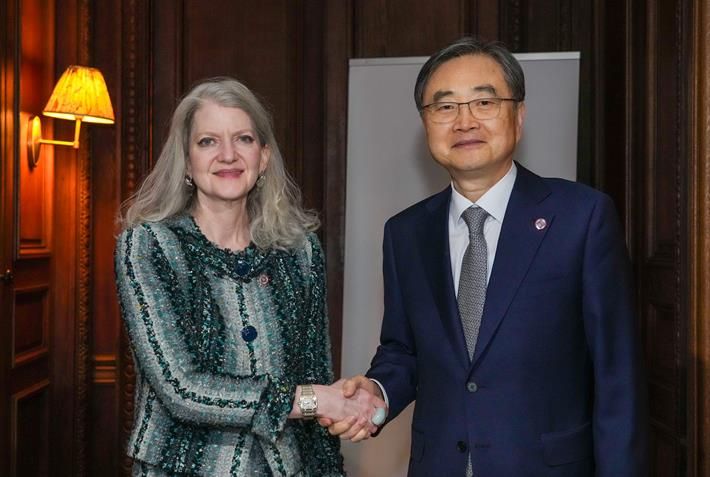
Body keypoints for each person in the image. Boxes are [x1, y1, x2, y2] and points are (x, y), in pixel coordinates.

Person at [323, 37, 648, 476]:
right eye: (445, 107)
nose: (464, 121)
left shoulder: (581, 218)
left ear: (519, 115)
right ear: (425, 123)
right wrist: (377, 392)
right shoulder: (405, 233)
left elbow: (617, 376)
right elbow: (404, 350)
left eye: (484, 102)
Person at [115, 77, 384, 476]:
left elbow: (315, 372)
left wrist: (330, 459)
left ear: (264, 156)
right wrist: (313, 400)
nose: (228, 155)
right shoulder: (151, 245)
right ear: (186, 160)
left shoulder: (300, 251)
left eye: (243, 139)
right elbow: (180, 387)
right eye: (208, 141)